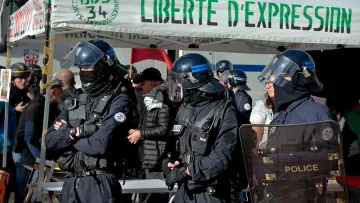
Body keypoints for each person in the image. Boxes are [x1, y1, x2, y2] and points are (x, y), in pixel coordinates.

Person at [44, 39, 138, 203]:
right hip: (71, 183)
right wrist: (76, 133)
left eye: (88, 66)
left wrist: (68, 137)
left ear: (103, 69)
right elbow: (49, 142)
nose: (83, 71)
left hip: (100, 183)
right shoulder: (76, 100)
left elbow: (99, 144)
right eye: (81, 67)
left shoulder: (120, 101)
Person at [164, 53, 249, 203]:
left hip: (211, 193)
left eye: (180, 81)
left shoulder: (224, 110)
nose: (177, 86)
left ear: (192, 80)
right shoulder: (185, 108)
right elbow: (178, 143)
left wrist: (188, 171)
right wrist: (170, 163)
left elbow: (223, 155)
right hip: (185, 190)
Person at [12, 79, 63, 203]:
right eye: (61, 89)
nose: (63, 91)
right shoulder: (36, 107)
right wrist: (41, 159)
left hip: (37, 151)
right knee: (24, 189)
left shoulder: (51, 106)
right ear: (53, 91)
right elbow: (29, 137)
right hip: (25, 151)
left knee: (35, 192)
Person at [129, 67, 175, 203]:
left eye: (143, 84)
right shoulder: (151, 99)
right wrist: (137, 130)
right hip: (148, 159)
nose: (140, 88)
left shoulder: (161, 100)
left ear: (153, 83)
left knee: (154, 198)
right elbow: (148, 124)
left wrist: (141, 134)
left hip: (157, 161)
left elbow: (163, 129)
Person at [258, 49, 337, 125]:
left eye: (282, 76)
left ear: (302, 79)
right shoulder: (278, 119)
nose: (274, 83)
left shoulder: (318, 116)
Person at [250, 82, 275, 149]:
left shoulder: (294, 105)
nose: (267, 86)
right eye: (267, 83)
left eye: (271, 83)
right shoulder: (262, 106)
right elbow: (255, 138)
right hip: (267, 153)